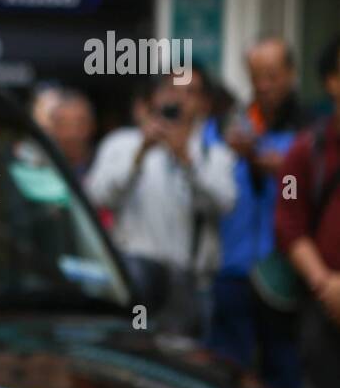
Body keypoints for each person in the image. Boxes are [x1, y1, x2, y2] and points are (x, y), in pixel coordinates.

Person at [85, 67, 237, 335]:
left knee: (182, 362)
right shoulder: (122, 144)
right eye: (172, 89)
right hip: (135, 276)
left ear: (204, 104)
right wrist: (139, 154)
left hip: (187, 284)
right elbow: (97, 196)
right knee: (134, 355)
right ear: (157, 96)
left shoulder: (214, 155)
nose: (179, 99)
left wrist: (188, 161)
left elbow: (225, 203)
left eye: (190, 93)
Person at [204, 38, 307, 388]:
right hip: (232, 270)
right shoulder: (228, 126)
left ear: (292, 75)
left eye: (272, 76)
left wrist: (285, 172)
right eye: (255, 77)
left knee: (283, 381)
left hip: (282, 276)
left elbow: (301, 199)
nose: (263, 85)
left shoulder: (309, 133)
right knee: (225, 379)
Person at [277, 35, 340, 388]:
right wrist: (326, 284)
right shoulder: (303, 152)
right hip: (325, 306)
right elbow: (288, 222)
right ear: (331, 81)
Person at [31, 85, 96, 180]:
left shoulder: (105, 165)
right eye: (64, 124)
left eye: (80, 124)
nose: (72, 133)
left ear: (92, 126)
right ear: (53, 128)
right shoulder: (37, 170)